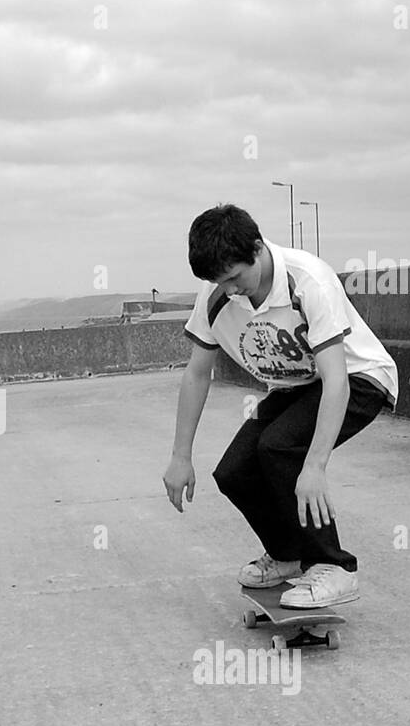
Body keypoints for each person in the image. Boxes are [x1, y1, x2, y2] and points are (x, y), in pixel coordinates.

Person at [162, 204, 397, 608]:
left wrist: (315, 465)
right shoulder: (217, 292)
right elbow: (198, 373)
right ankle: (288, 554)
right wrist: (180, 457)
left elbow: (337, 380)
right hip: (298, 385)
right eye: (221, 282)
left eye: (236, 278)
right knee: (234, 472)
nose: (231, 291)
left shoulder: (308, 281)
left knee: (280, 447)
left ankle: (335, 567)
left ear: (257, 248)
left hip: (358, 378)